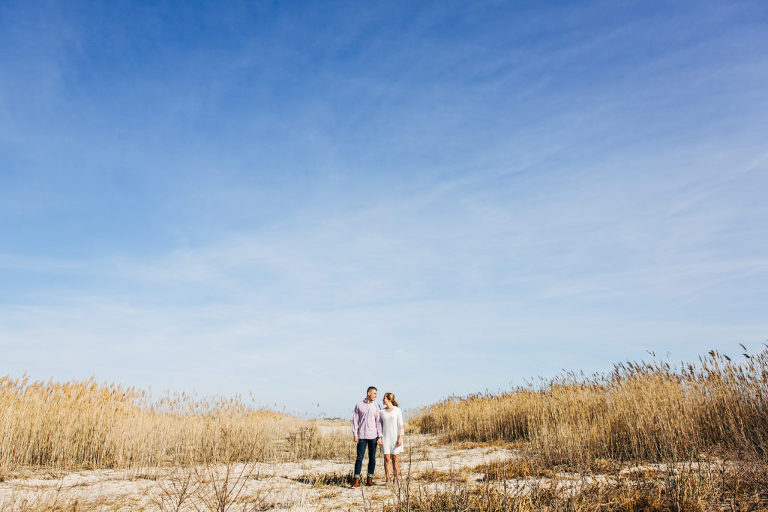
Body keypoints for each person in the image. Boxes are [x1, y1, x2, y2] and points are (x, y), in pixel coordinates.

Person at [351, 386, 381, 487]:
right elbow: (355, 421)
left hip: (373, 435)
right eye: (374, 394)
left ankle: (370, 478)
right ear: (369, 393)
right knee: (359, 458)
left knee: (372, 458)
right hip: (362, 435)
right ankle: (356, 479)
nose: (376, 396)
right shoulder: (359, 405)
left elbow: (378, 422)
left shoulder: (376, 406)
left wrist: (379, 436)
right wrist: (355, 434)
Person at [378, 392, 404, 485]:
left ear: (389, 399)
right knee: (387, 459)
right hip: (385, 438)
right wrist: (379, 437)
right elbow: (379, 426)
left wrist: (400, 437)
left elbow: (400, 425)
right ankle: (387, 479)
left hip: (395, 438)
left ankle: (396, 478)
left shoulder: (397, 410)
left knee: (395, 459)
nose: (382, 399)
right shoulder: (381, 412)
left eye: (384, 398)